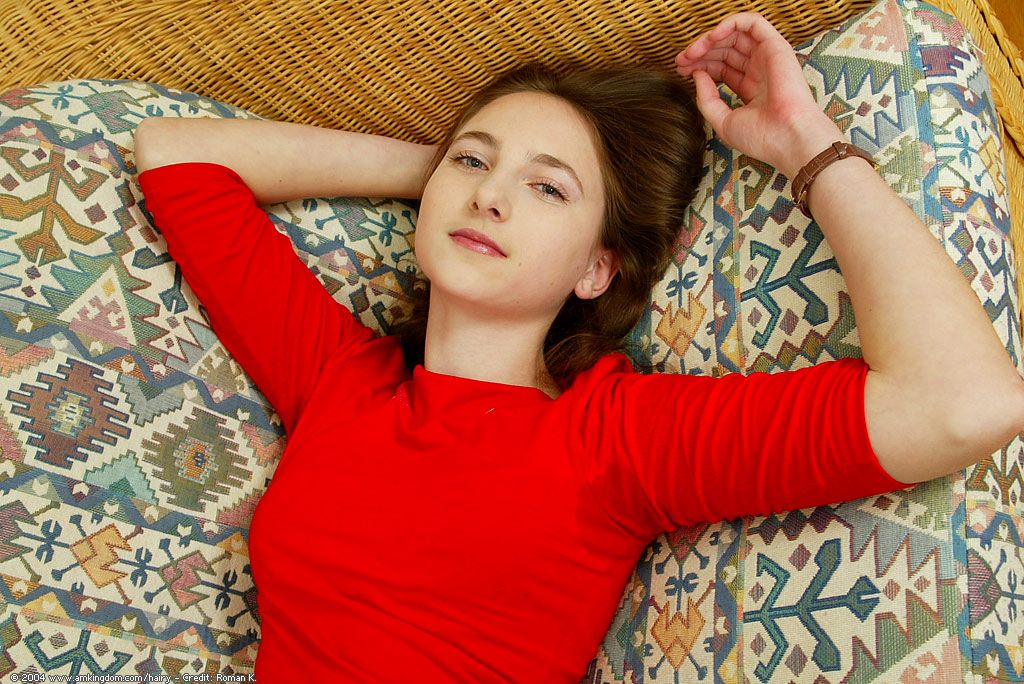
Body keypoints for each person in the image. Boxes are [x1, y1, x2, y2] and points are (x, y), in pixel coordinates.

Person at [133, 11, 1024, 683]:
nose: (490, 198)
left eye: (549, 190)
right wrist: (438, 171)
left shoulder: (613, 440)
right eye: (474, 163)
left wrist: (806, 145)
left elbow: (962, 402)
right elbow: (176, 157)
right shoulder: (339, 377)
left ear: (597, 268)